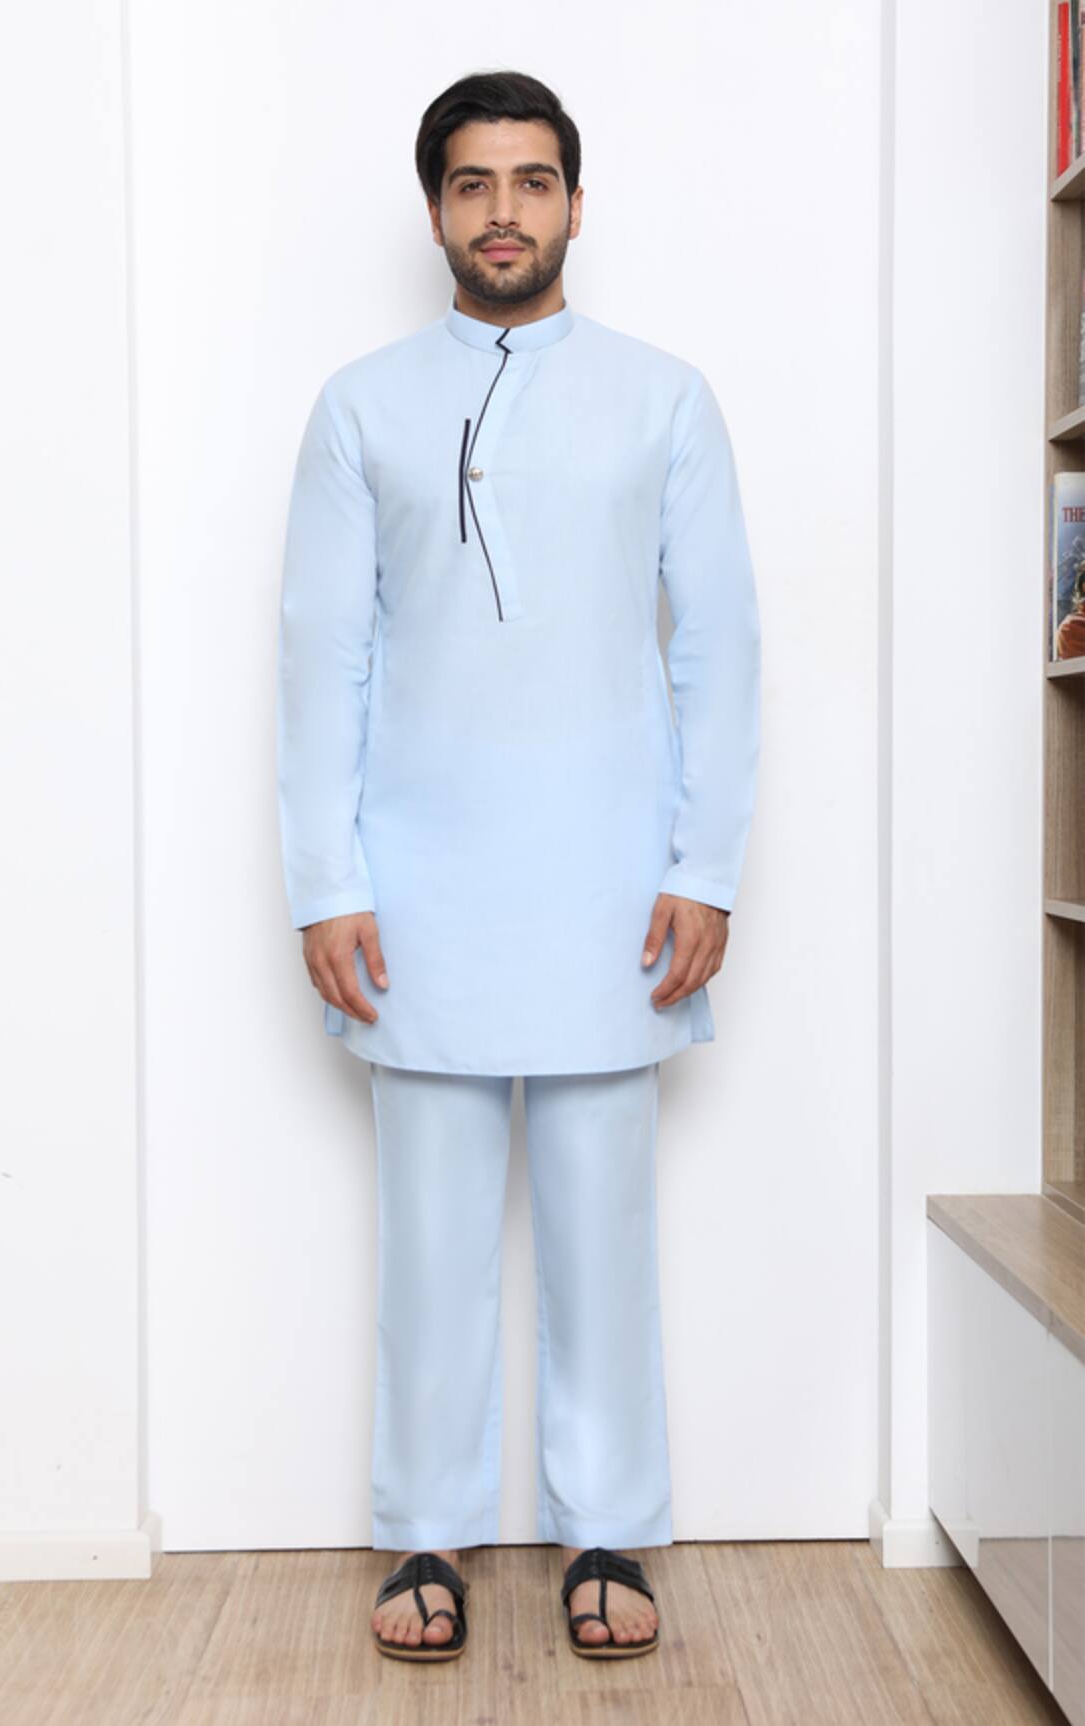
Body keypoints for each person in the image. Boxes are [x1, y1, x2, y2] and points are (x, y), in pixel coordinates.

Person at [275, 69, 761, 1663]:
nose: (504, 212)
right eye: (474, 183)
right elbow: (320, 657)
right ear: (434, 210)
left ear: (574, 202)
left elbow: (721, 650)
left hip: (615, 887)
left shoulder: (662, 397)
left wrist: (704, 862)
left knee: (602, 1232)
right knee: (427, 1241)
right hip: (414, 891)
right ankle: (423, 1531)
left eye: (531, 180)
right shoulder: (359, 407)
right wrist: (325, 879)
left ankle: (605, 1526)